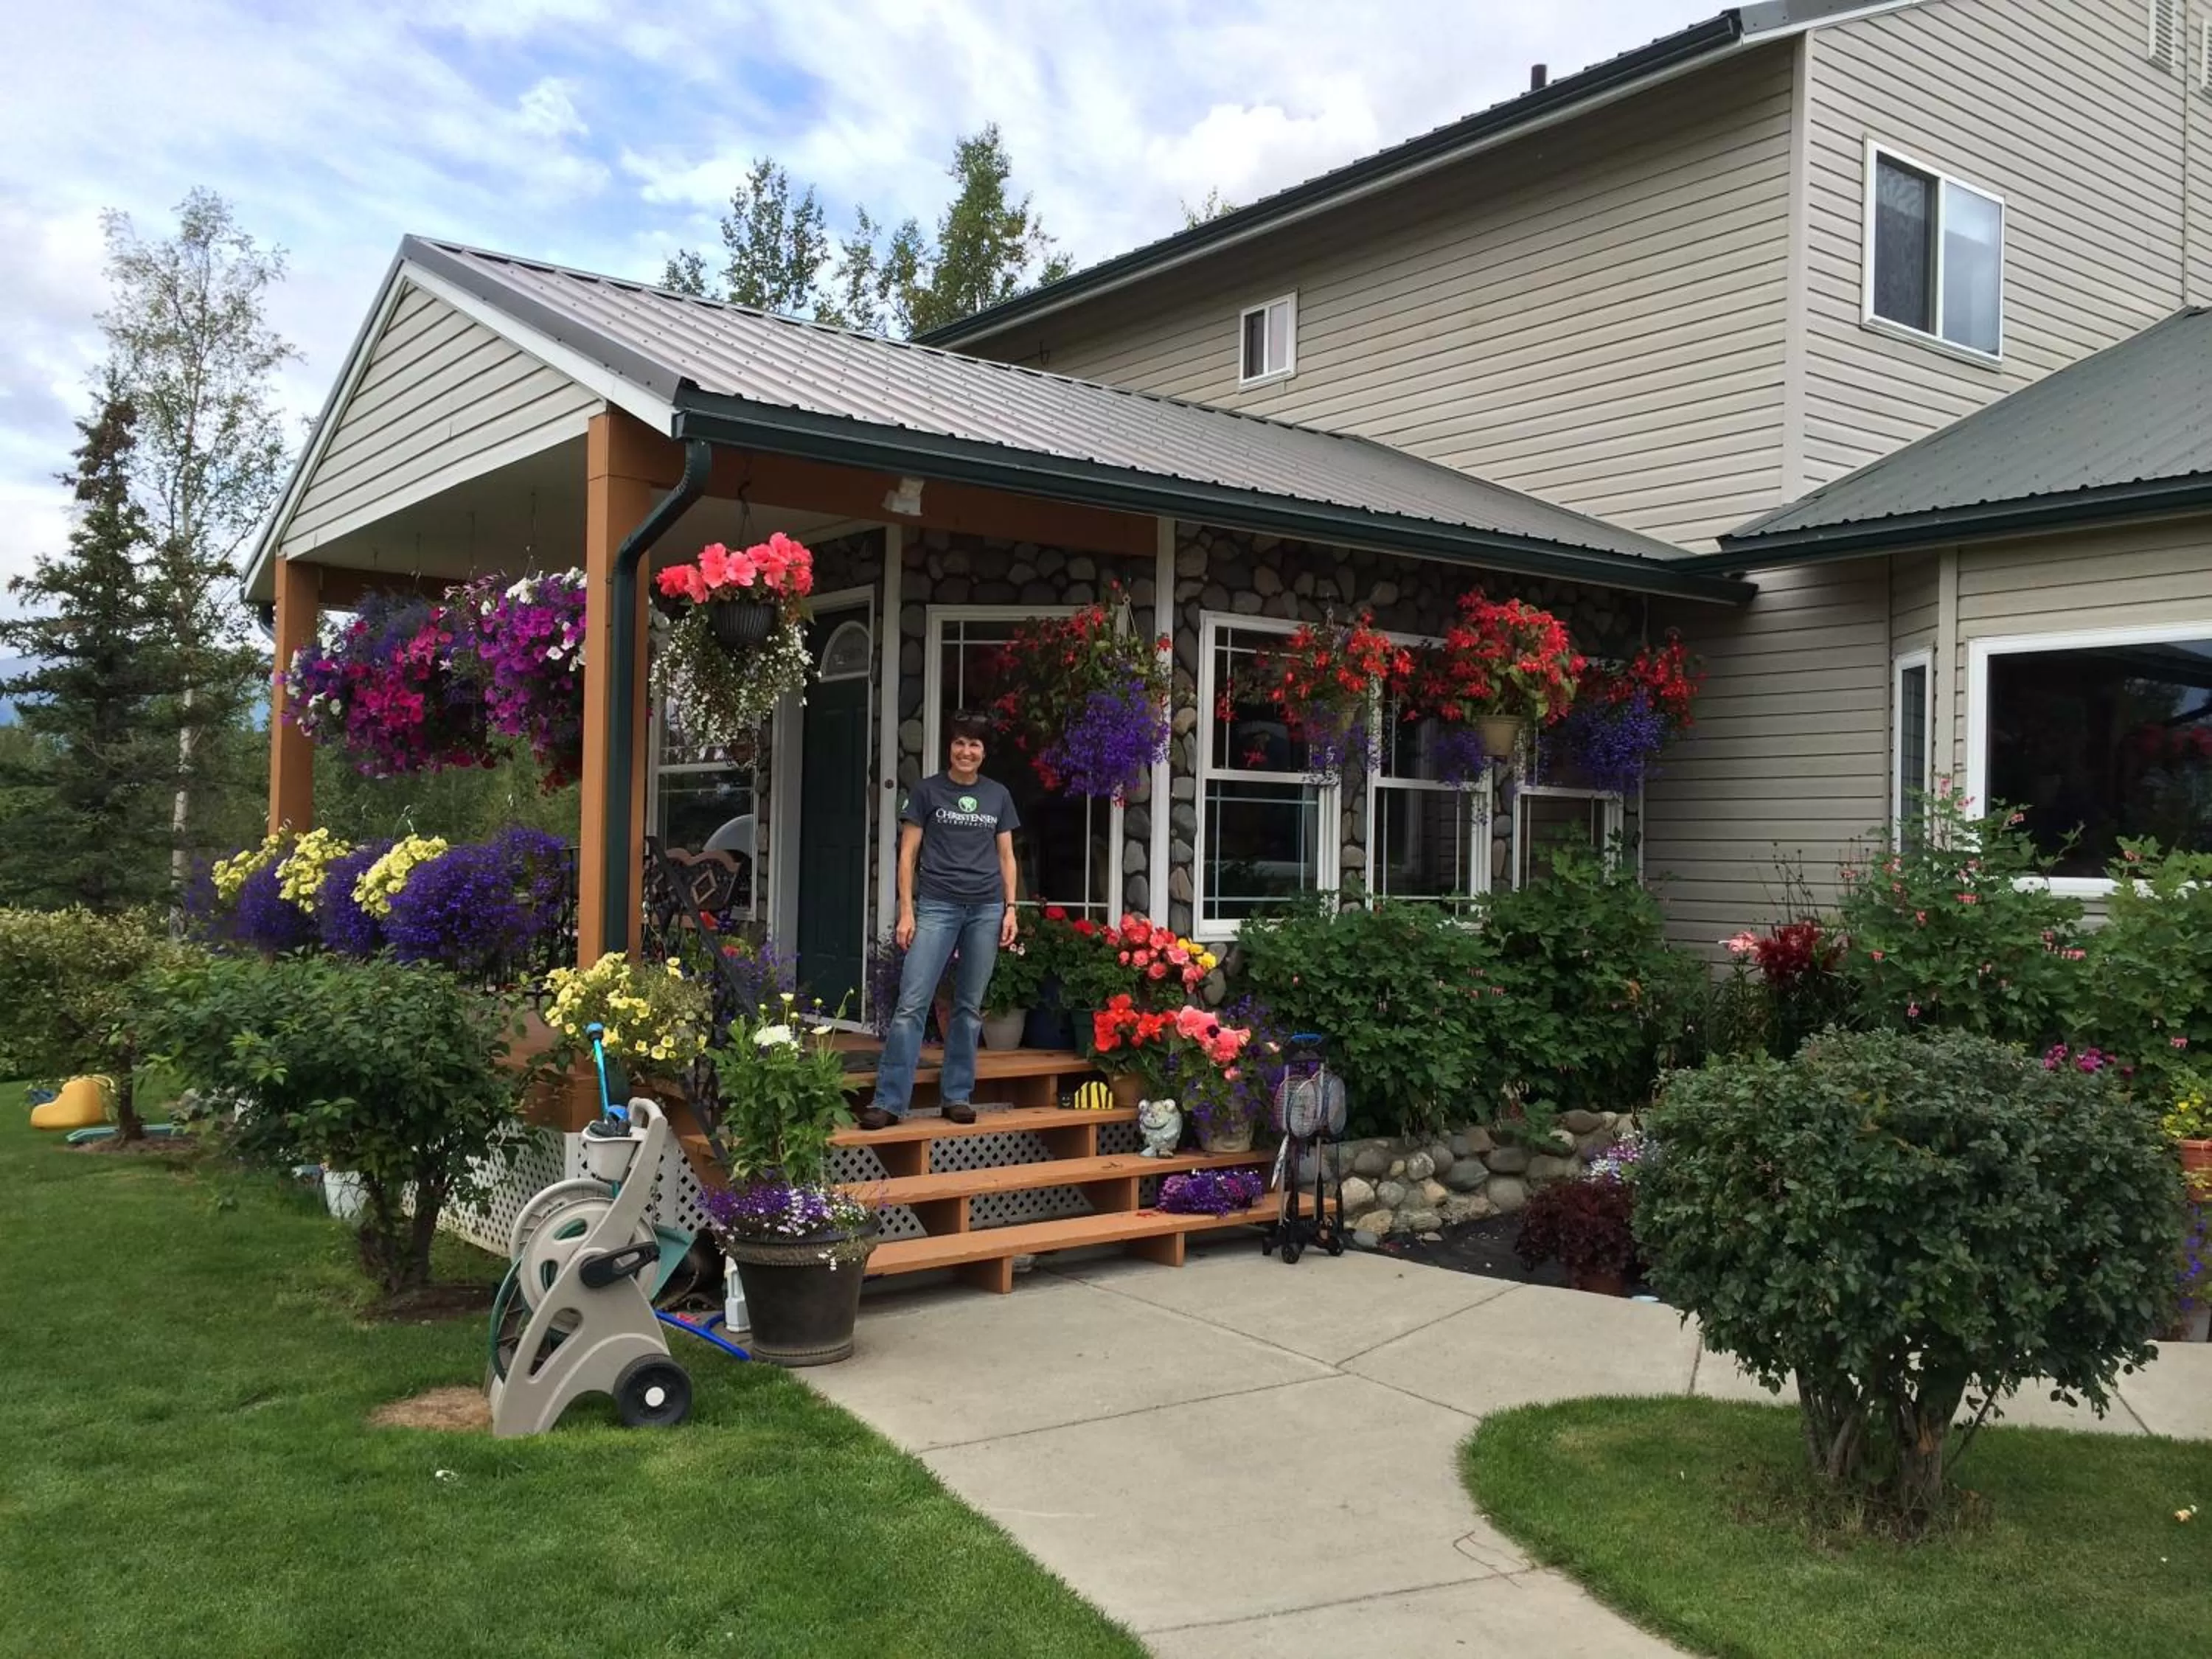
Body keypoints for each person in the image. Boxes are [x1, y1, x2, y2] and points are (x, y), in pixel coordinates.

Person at [856, 712, 1020, 1129]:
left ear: (984, 753)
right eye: (960, 743)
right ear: (951, 747)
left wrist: (1011, 908)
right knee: (912, 1004)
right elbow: (908, 854)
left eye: (975, 745)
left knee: (968, 1007)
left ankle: (957, 1096)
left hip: (985, 909)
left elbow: (1006, 856)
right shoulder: (928, 792)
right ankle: (889, 1102)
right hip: (936, 906)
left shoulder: (998, 795)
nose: (967, 752)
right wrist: (907, 910)